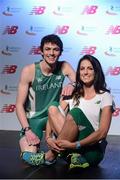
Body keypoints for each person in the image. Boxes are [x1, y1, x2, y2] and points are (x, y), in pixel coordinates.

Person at [45, 54, 115, 169]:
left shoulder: (105, 96)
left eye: (90, 68)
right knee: (53, 106)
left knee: (76, 112)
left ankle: (50, 155)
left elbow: (102, 133)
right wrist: (48, 137)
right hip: (70, 149)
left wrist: (74, 145)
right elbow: (52, 115)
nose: (85, 72)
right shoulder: (73, 94)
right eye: (82, 69)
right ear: (78, 73)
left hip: (91, 152)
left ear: (96, 72)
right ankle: (71, 155)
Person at [16, 34, 76, 166]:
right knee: (30, 156)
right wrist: (27, 130)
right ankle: (50, 156)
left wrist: (72, 85)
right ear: (41, 51)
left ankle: (61, 152)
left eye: (55, 49)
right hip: (34, 118)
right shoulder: (29, 70)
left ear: (60, 52)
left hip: (54, 114)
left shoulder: (64, 66)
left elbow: (80, 82)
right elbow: (19, 105)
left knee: (68, 99)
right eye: (47, 49)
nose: (51, 53)